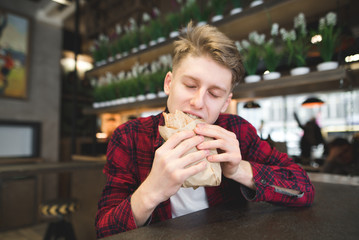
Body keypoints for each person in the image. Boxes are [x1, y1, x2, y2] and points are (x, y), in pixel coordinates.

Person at [95, 22, 315, 238]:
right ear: (169, 83)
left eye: (215, 94)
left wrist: (239, 170)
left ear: (225, 102)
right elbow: (105, 230)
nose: (198, 102)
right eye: (190, 85)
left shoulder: (237, 132)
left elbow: (303, 189)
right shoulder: (130, 137)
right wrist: (151, 190)